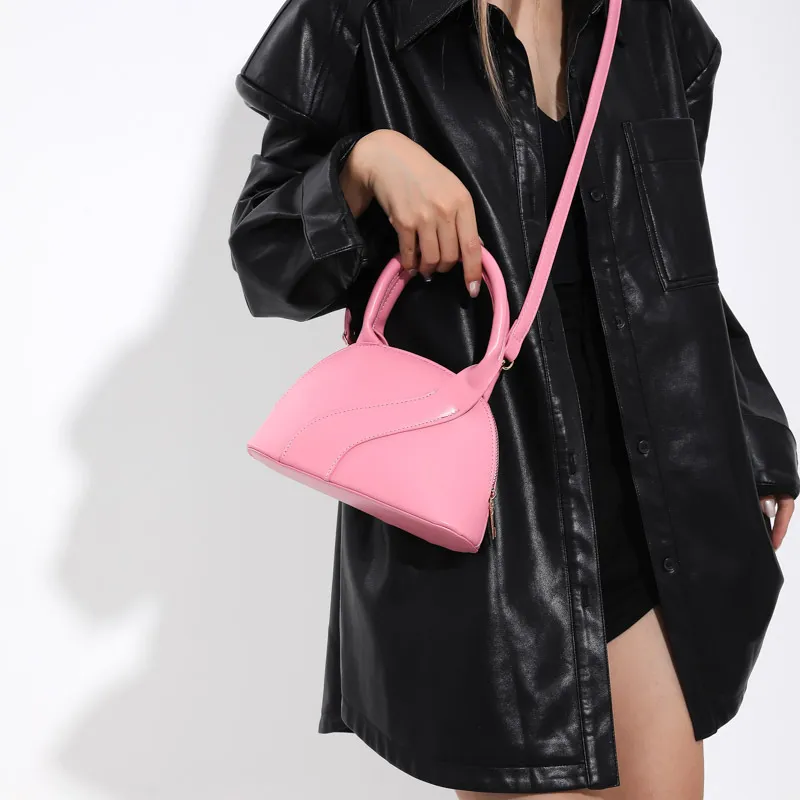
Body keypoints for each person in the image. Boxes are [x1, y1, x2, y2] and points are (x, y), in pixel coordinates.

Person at [227, 0, 799, 796]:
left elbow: (672, 256)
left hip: (652, 508)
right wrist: (365, 164)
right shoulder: (364, 16)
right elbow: (263, 255)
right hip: (498, 538)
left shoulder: (648, 17)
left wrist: (752, 424)